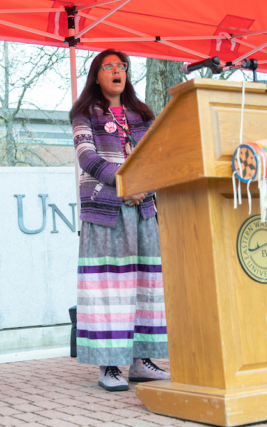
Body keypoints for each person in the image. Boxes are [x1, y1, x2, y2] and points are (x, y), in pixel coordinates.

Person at [69, 49, 169, 392]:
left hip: (143, 209)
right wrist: (126, 183)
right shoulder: (84, 114)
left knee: (146, 285)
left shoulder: (142, 114)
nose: (117, 71)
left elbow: (160, 155)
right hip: (106, 210)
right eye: (109, 66)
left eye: (122, 66)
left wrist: (144, 186)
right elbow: (87, 158)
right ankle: (108, 366)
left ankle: (142, 362)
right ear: (96, 74)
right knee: (109, 289)